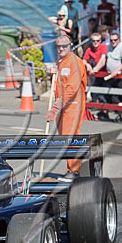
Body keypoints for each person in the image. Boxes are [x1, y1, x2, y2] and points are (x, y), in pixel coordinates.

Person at [45, 35, 87, 179]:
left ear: (70, 45)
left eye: (64, 46)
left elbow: (72, 89)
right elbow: (60, 78)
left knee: (70, 138)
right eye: (58, 46)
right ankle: (71, 169)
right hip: (63, 105)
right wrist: (52, 72)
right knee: (64, 138)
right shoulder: (61, 61)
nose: (61, 49)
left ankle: (74, 172)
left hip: (73, 105)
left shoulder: (75, 63)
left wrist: (55, 108)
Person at [83, 31, 108, 119]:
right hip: (97, 75)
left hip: (105, 73)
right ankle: (102, 112)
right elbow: (84, 60)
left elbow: (103, 60)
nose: (95, 43)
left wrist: (95, 69)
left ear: (100, 41)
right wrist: (88, 65)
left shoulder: (103, 47)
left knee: (105, 94)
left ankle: (106, 111)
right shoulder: (89, 49)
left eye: (97, 41)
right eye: (93, 41)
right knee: (96, 92)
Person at [105, 31, 122, 121]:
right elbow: (106, 59)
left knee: (121, 96)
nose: (113, 42)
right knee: (112, 95)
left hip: (121, 76)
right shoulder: (109, 47)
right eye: (111, 40)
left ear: (118, 40)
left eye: (115, 40)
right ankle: (121, 111)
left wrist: (116, 71)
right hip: (110, 76)